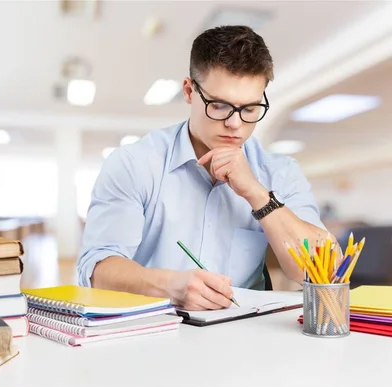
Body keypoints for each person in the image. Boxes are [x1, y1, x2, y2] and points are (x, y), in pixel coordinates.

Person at [76, 25, 329, 311]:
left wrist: (258, 195)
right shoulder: (135, 163)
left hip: (245, 335)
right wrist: (170, 287)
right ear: (189, 91)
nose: (235, 124)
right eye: (220, 105)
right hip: (152, 331)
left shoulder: (280, 172)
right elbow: (96, 271)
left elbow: (320, 271)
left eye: (250, 109)